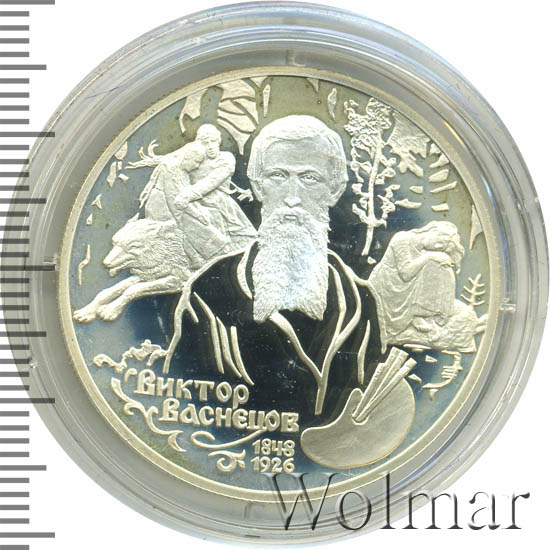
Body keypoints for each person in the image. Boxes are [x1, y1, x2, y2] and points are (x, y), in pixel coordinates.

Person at [173, 115, 380, 420]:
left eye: (310, 178)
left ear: (334, 190)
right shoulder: (209, 291)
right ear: (258, 186)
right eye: (278, 176)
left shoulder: (360, 302)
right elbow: (182, 404)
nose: (292, 198)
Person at [368, 221, 480, 352]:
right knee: (433, 262)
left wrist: (438, 258)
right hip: (387, 288)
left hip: (407, 288)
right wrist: (430, 256)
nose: (438, 246)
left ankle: (425, 315)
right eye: (440, 240)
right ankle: (416, 316)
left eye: (442, 247)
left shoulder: (425, 251)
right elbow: (405, 273)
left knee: (440, 266)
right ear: (432, 229)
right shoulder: (402, 239)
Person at [174, 124, 257, 251]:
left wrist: (186, 196)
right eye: (205, 143)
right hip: (197, 210)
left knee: (243, 247)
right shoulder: (194, 161)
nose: (210, 146)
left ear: (219, 141)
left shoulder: (226, 159)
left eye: (213, 141)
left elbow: (212, 181)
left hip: (223, 209)